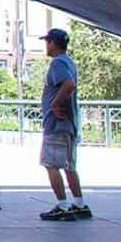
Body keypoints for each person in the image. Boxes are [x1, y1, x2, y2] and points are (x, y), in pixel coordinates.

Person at [38, 27, 88, 220]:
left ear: (52, 43)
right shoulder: (68, 61)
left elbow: (68, 84)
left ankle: (62, 206)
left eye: (47, 42)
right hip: (69, 124)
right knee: (69, 165)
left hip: (56, 124)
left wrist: (55, 103)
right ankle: (79, 203)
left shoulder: (57, 63)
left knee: (51, 164)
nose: (46, 46)